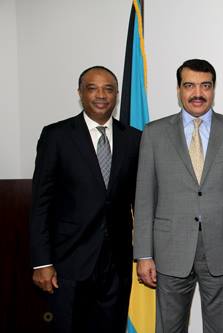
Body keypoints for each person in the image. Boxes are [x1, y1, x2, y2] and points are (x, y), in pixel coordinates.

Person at [133, 59, 223, 333]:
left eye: (205, 85)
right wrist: (143, 254)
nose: (197, 93)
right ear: (179, 90)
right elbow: (144, 198)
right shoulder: (154, 133)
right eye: (189, 85)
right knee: (169, 328)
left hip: (222, 248)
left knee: (221, 328)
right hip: (170, 250)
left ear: (213, 89)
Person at [30, 66, 142, 332]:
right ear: (80, 93)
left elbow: (141, 201)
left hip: (116, 264)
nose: (101, 95)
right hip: (69, 263)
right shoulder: (56, 136)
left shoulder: (134, 139)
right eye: (92, 88)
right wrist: (42, 262)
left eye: (108, 88)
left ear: (116, 94)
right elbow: (40, 204)